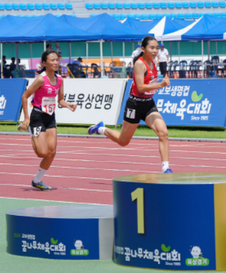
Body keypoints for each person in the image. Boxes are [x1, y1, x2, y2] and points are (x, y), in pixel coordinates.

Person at [88, 36, 173, 174]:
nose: (155, 50)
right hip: (134, 105)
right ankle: (101, 129)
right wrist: (160, 84)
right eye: (152, 48)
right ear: (143, 48)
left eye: (157, 48)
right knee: (123, 141)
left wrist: (154, 86)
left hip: (148, 105)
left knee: (163, 132)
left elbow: (148, 84)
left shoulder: (154, 62)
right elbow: (140, 87)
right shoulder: (139, 64)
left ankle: (165, 168)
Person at [18, 48, 77, 190]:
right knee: (42, 153)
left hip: (50, 117)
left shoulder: (60, 79)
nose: (56, 62)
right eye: (52, 60)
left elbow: (60, 100)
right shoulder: (40, 79)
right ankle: (31, 130)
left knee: (52, 152)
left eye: (57, 60)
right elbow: (25, 96)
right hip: (37, 116)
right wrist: (26, 118)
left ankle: (37, 180)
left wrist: (68, 105)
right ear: (44, 63)